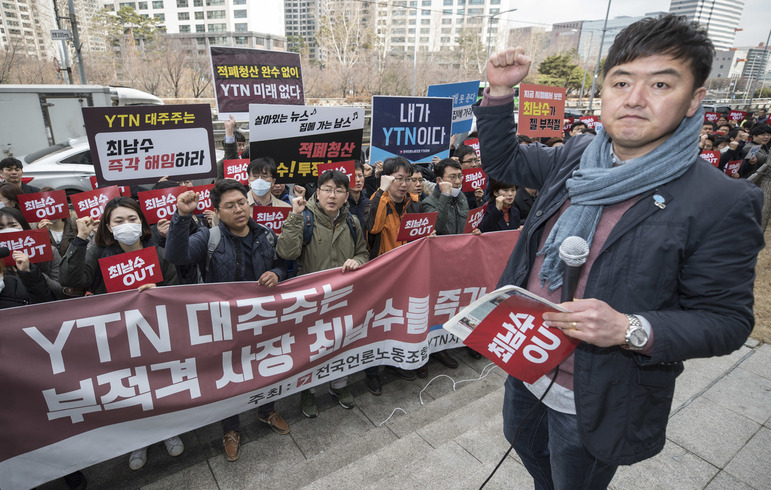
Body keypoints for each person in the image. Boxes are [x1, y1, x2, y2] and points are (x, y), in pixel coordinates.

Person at [473, 15, 763, 488]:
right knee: (524, 445)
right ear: (604, 90)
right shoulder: (577, 154)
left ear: (694, 101)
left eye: (660, 84)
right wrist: (501, 93)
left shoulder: (722, 201)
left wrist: (628, 329)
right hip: (528, 358)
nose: (634, 98)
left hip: (598, 391)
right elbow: (505, 161)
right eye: (621, 81)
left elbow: (728, 321)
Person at [164, 179, 288, 463]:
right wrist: (182, 217)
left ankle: (266, 409)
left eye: (242, 202)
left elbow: (282, 264)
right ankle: (230, 429)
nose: (239, 210)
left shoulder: (266, 235)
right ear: (217, 211)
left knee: (266, 366)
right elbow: (175, 255)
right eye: (229, 206)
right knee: (229, 376)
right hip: (222, 324)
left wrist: (278, 275)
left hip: (260, 319)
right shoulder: (209, 238)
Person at [58, 196, 183, 470]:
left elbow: (175, 290)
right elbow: (71, 280)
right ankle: (138, 439)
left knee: (158, 384)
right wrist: (79, 239)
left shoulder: (158, 252)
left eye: (132, 219)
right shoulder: (97, 252)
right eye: (119, 221)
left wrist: (158, 293)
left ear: (141, 222)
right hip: (116, 336)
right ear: (108, 227)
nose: (126, 225)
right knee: (130, 389)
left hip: (153, 333)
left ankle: (166, 430)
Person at [276, 170, 369, 418]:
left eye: (338, 191)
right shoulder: (303, 218)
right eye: (327, 189)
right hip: (310, 300)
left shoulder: (352, 222)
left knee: (341, 342)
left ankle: (339, 385)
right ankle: (308, 391)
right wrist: (294, 217)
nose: (332, 195)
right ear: (317, 193)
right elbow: (286, 252)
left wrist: (356, 261)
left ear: (346, 195)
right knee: (310, 348)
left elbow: (363, 253)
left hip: (342, 298)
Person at [363, 157, 421, 391]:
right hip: (382, 277)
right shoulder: (377, 201)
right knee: (377, 325)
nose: (405, 184)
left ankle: (394, 362)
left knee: (398, 321)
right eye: (399, 179)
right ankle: (371, 372)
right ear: (387, 179)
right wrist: (381, 191)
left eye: (408, 179)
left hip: (406, 276)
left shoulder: (413, 203)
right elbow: (373, 228)